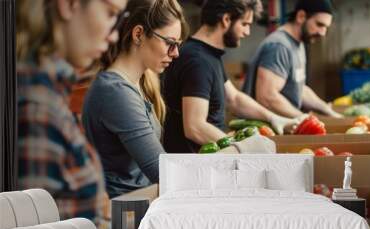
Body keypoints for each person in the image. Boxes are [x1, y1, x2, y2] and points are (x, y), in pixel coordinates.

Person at [17, 0, 127, 221]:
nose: (113, 36)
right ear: (68, 5)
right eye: (110, 14)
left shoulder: (49, 94)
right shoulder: (37, 108)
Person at [163, 0, 298, 154]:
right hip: (196, 167)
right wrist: (242, 149)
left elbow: (234, 98)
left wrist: (272, 117)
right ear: (226, 20)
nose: (247, 32)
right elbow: (195, 127)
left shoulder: (208, 55)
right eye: (245, 24)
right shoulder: (198, 61)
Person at [83, 0, 187, 198]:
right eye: (169, 43)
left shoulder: (137, 83)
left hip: (141, 201)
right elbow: (162, 172)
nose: (175, 53)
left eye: (178, 44)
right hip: (123, 215)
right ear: (138, 34)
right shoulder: (115, 92)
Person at [242, 0, 342, 118]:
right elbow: (267, 97)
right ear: (301, 16)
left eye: (326, 27)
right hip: (262, 131)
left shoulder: (298, 44)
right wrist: (303, 118)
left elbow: (298, 88)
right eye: (319, 25)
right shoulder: (279, 46)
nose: (323, 33)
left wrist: (326, 109)